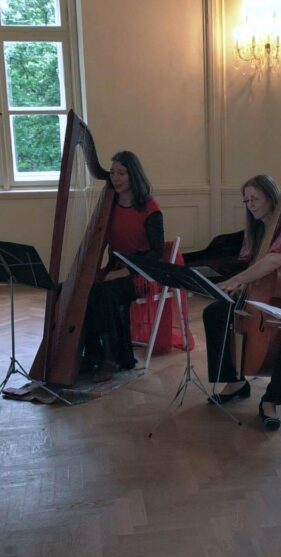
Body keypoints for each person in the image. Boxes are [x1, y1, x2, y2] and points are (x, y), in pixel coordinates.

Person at [203, 175, 281, 430]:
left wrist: (237, 279)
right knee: (215, 312)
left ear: (271, 198)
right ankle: (235, 381)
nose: (250, 204)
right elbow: (252, 264)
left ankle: (272, 398)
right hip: (267, 291)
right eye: (246, 200)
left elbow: (273, 261)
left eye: (255, 199)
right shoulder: (256, 230)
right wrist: (239, 283)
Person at [83, 150, 164, 383]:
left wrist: (125, 271)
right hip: (115, 268)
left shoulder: (150, 208)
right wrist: (93, 270)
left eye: (122, 173)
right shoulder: (109, 204)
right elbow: (100, 242)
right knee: (82, 290)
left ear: (133, 175)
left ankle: (111, 358)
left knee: (104, 293)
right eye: (113, 173)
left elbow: (156, 253)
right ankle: (93, 353)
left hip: (141, 273)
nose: (115, 178)